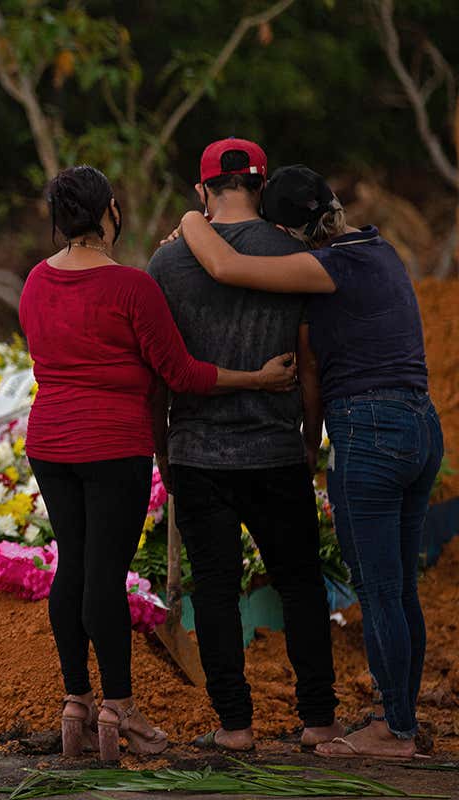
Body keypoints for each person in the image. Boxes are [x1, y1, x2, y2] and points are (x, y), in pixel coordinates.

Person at [19, 165, 297, 762]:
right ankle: (119, 708)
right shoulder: (131, 288)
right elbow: (181, 374)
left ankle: (76, 703)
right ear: (110, 212)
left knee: (72, 566)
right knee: (104, 576)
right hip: (112, 444)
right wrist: (258, 377)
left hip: (49, 441)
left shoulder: (35, 283)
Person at [175, 165, 443, 761]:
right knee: (397, 589)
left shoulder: (326, 265)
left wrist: (194, 217)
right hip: (421, 425)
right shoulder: (379, 249)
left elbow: (226, 267)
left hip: (371, 429)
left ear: (289, 232)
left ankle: (395, 732)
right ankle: (399, 717)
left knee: (377, 591)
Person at [146, 139, 343, 753]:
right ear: (260, 188)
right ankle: (318, 721)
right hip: (275, 449)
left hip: (198, 451)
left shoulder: (167, 266)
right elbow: (309, 367)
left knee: (215, 589)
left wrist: (163, 453)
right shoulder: (293, 254)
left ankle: (235, 726)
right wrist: (309, 441)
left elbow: (158, 377)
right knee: (301, 585)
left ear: (202, 191)